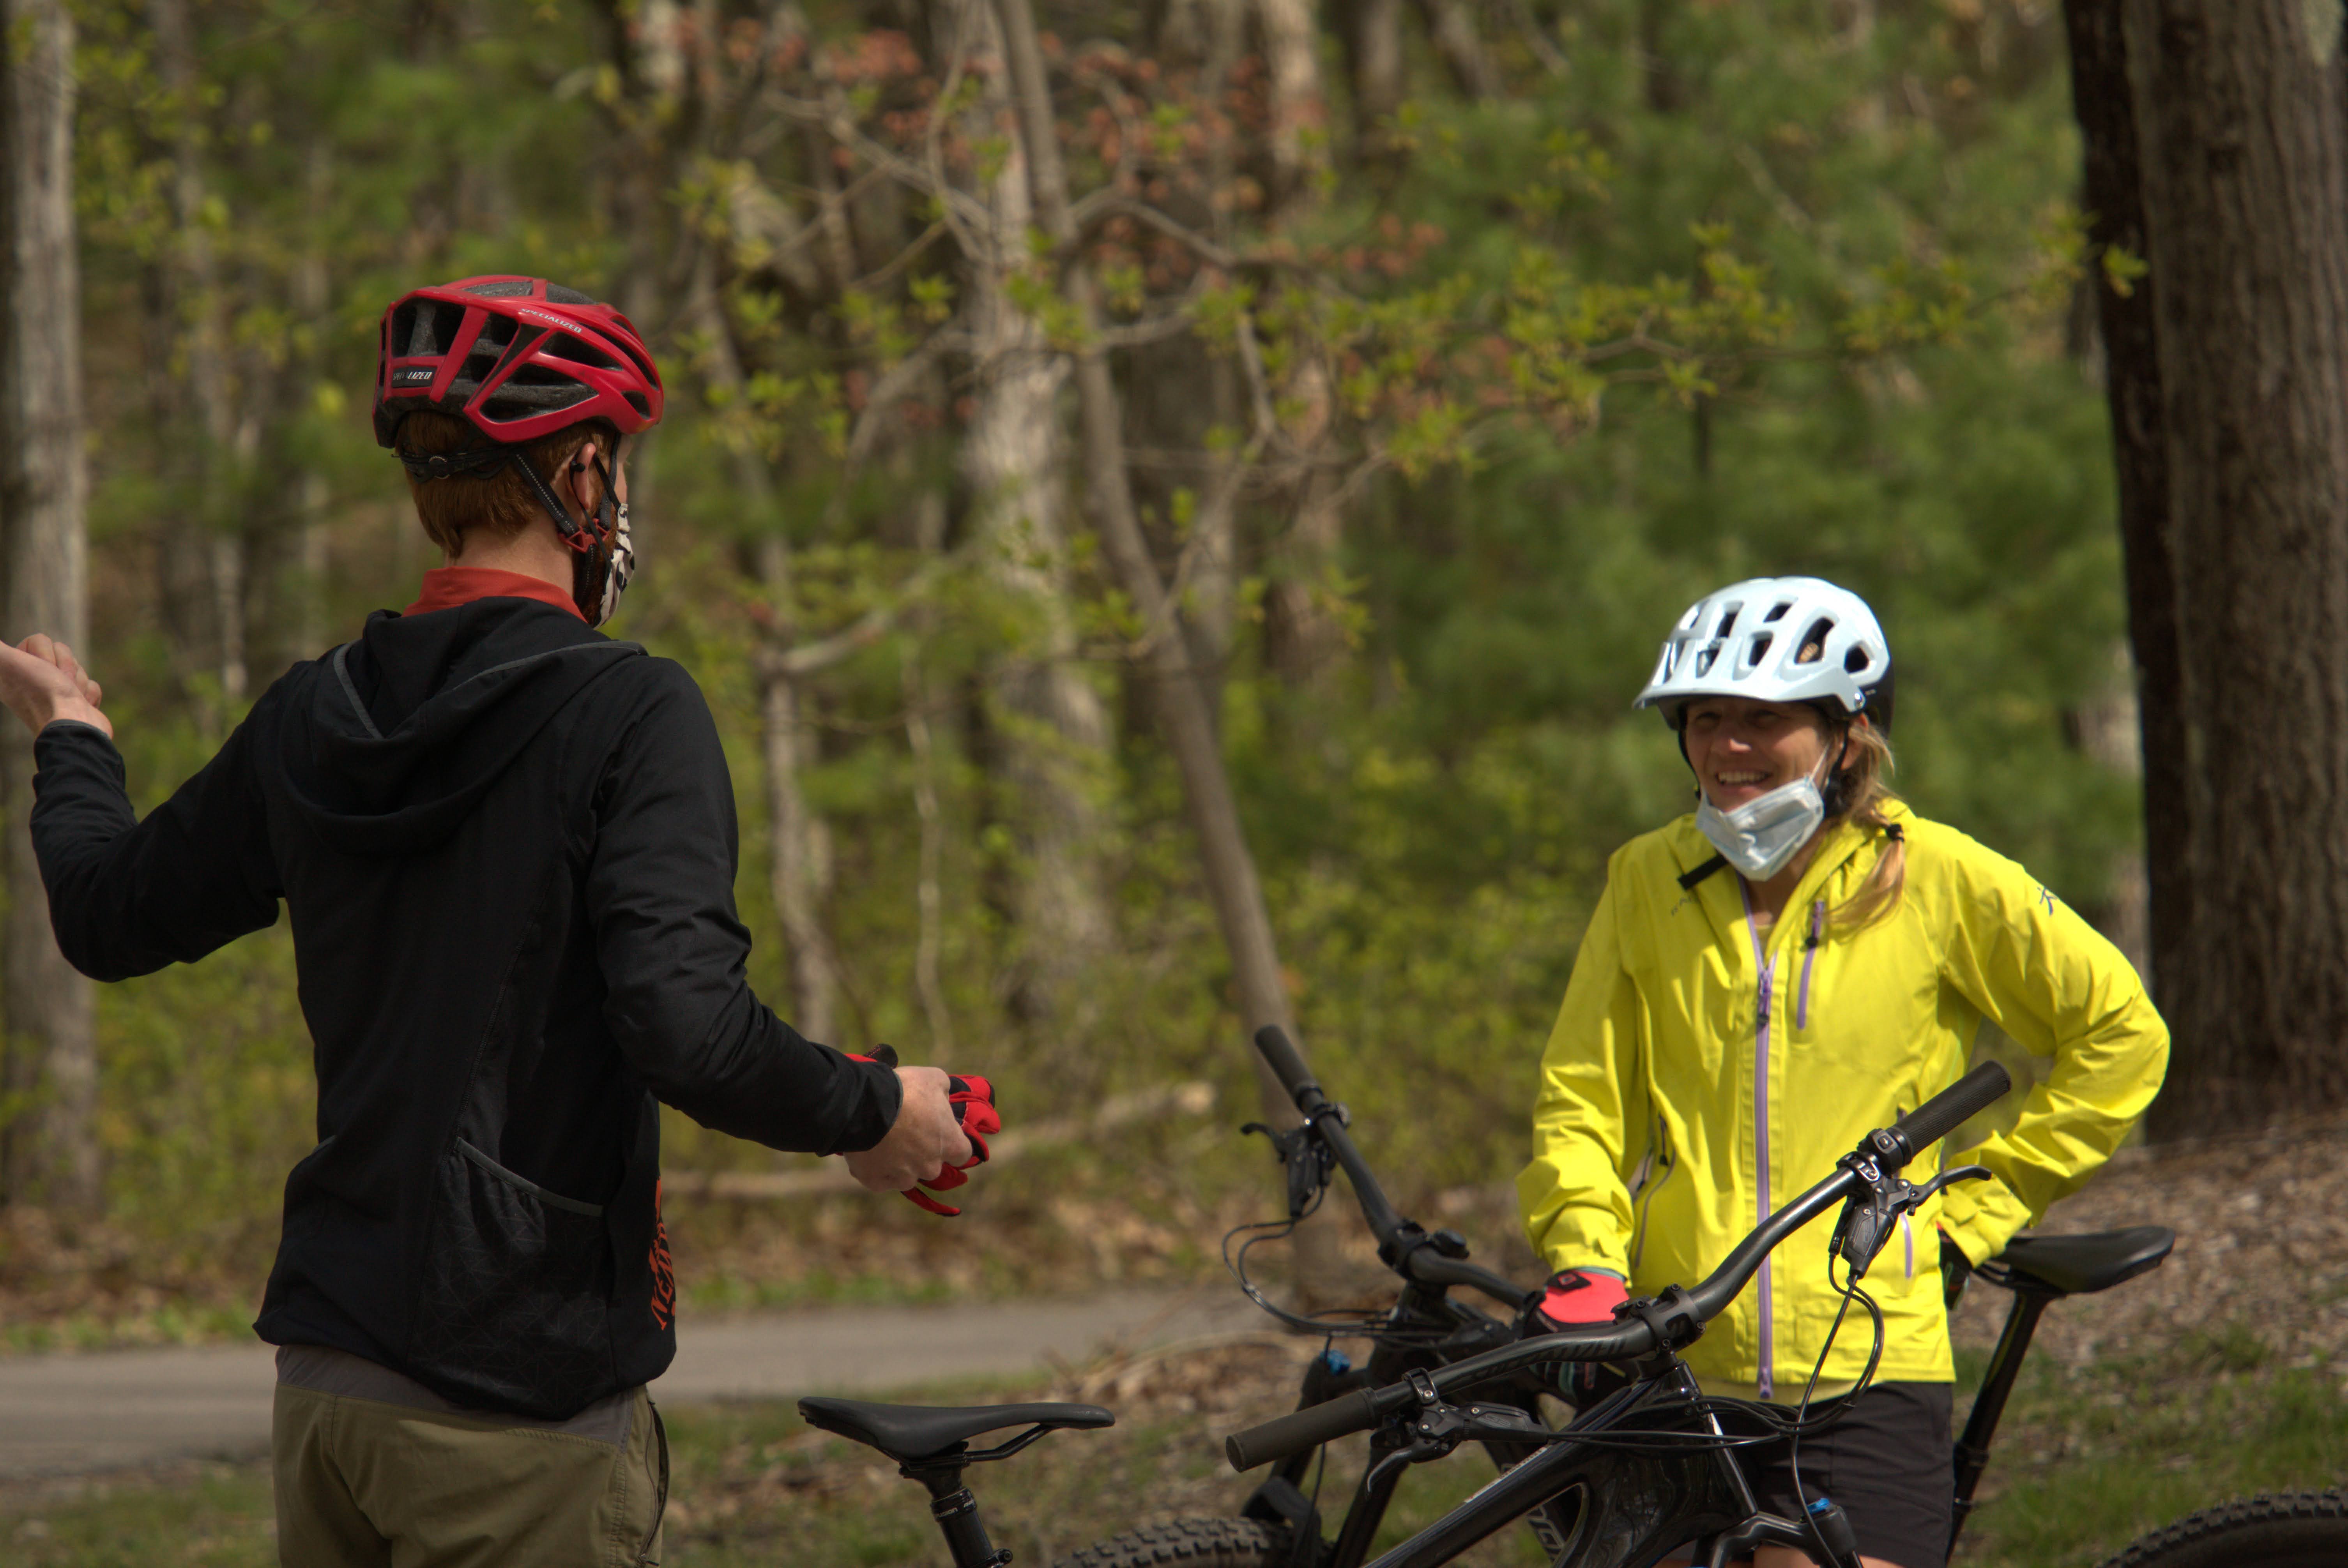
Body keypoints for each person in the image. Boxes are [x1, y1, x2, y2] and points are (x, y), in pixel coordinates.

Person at [0, 275, 988, 1566]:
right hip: (520, 1402)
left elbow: (105, 911)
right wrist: (877, 1106)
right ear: (581, 478)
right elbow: (683, 1023)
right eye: (616, 472)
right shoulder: (632, 710)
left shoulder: (315, 713)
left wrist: (74, 743)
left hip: (331, 1390)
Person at [1516, 575, 2168, 1568]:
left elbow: (2122, 1033)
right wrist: (1586, 1258)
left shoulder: (1939, 875)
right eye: (1703, 718)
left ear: (1845, 733)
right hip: (1673, 1354)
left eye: (1762, 718)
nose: (1726, 746)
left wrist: (1974, 1208)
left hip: (1868, 1363)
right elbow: (1584, 1099)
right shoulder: (1645, 878)